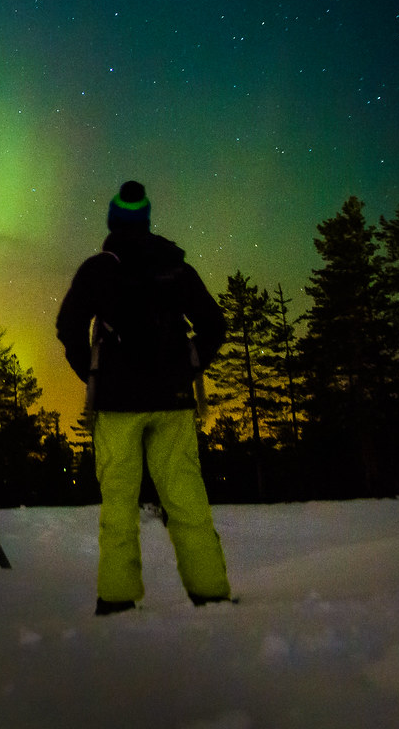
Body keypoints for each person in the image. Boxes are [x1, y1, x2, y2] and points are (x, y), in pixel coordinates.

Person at [56, 180, 232, 615]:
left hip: (116, 406)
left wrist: (93, 372)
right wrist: (188, 368)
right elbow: (214, 325)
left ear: (114, 223)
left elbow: (68, 326)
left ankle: (116, 600)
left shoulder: (98, 270)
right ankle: (210, 594)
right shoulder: (176, 268)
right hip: (172, 401)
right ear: (147, 220)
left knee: (118, 505)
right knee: (187, 500)